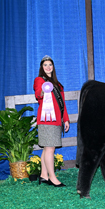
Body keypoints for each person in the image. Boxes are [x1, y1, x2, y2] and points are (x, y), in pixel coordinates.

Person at [34, 55, 70, 187]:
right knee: (50, 148)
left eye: (50, 65)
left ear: (53, 67)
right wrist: (43, 90)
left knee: (47, 148)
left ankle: (43, 175)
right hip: (46, 119)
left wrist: (65, 119)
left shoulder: (58, 84)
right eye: (45, 65)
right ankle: (52, 178)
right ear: (42, 68)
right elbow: (38, 94)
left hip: (57, 120)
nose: (48, 67)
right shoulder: (39, 80)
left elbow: (63, 104)